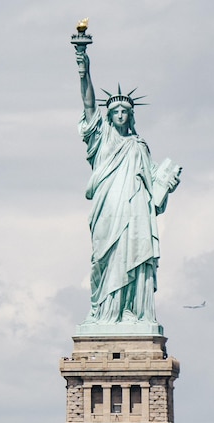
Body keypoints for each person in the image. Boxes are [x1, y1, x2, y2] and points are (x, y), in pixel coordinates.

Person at [76, 49, 181, 327]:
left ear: (130, 116)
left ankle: (130, 311)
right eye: (115, 112)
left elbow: (153, 183)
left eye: (125, 111)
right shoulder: (101, 140)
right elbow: (88, 106)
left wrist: (167, 182)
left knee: (132, 254)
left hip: (135, 212)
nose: (120, 115)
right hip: (108, 208)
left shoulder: (139, 146)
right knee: (104, 258)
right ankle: (103, 311)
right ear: (108, 117)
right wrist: (83, 67)